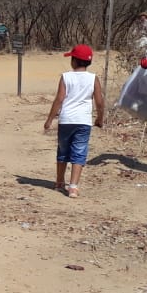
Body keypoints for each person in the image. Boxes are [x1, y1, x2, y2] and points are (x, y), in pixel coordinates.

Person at [43, 44, 104, 199]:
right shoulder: (93, 78)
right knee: (79, 152)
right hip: (83, 121)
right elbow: (99, 102)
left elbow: (59, 99)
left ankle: (59, 182)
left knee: (63, 150)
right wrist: (99, 118)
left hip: (66, 120)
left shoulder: (66, 77)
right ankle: (73, 187)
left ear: (74, 61)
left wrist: (49, 119)